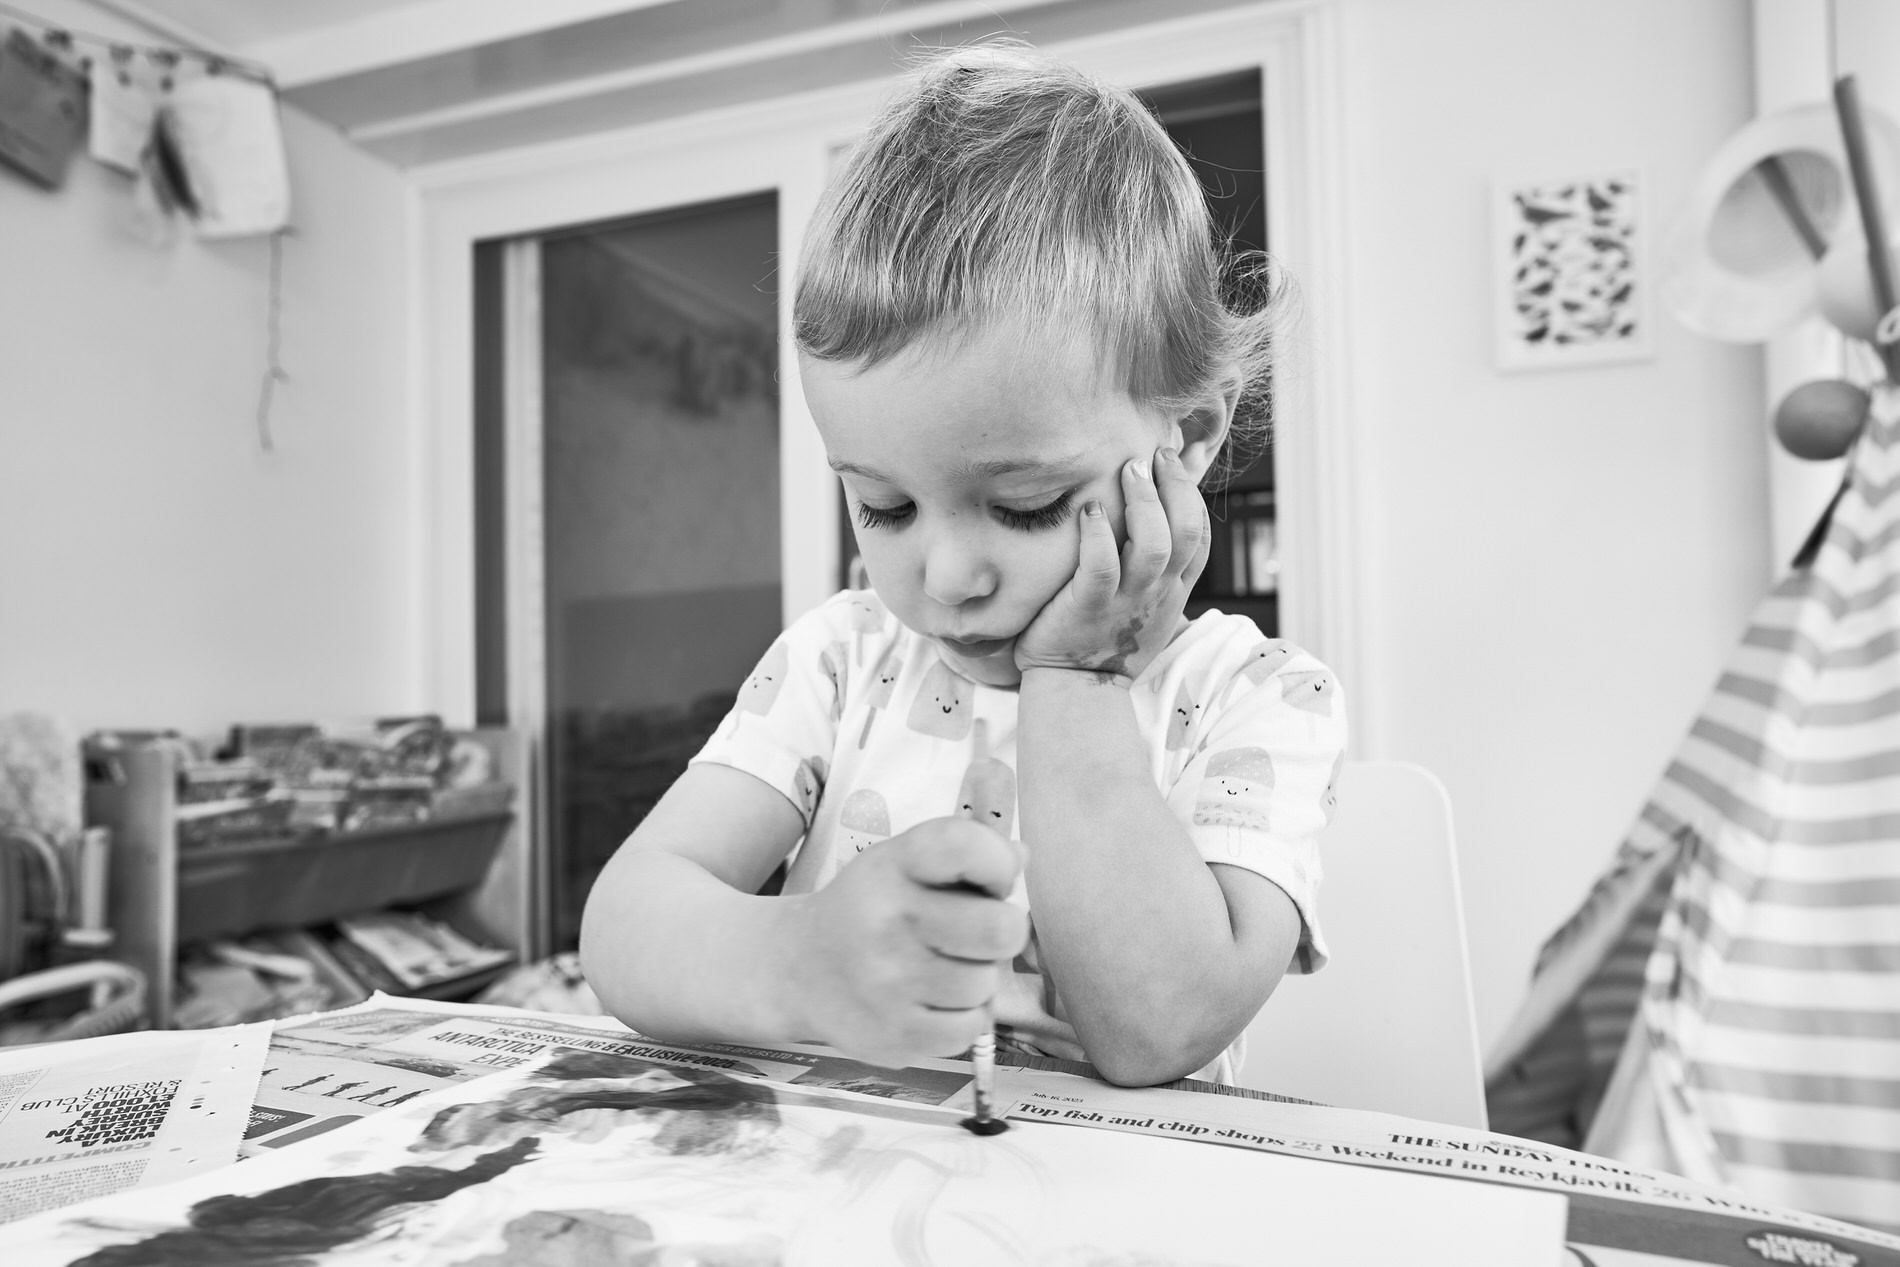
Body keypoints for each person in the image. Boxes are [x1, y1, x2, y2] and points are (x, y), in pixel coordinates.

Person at [580, 41, 1347, 1087]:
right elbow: (623, 923)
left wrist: (1078, 683)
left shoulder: (1257, 702)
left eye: (1023, 506)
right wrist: (797, 960)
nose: (943, 579)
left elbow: (1154, 1031)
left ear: (1192, 434)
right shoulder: (844, 658)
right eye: (883, 505)